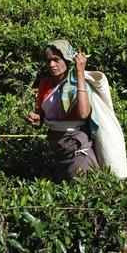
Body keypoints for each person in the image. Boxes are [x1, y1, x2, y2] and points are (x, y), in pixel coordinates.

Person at [26, 40, 99, 182]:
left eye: (56, 60)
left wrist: (79, 73)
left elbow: (83, 113)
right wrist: (36, 119)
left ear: (67, 59)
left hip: (78, 148)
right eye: (49, 61)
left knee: (81, 193)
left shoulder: (77, 82)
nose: (52, 65)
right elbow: (42, 116)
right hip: (57, 150)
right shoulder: (45, 84)